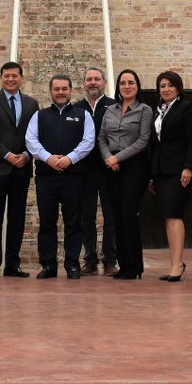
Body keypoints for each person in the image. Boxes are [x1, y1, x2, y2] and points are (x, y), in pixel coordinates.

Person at [26, 74, 95, 279]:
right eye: (57, 89)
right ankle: (48, 265)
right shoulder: (39, 115)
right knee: (47, 222)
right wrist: (48, 159)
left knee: (73, 221)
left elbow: (88, 141)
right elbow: (31, 141)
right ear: (50, 91)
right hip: (46, 177)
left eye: (64, 89)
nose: (61, 92)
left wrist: (69, 159)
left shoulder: (83, 115)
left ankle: (72, 263)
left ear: (71, 90)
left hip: (74, 176)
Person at [0, 61, 39, 278]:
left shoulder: (32, 104)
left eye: (14, 75)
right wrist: (7, 155)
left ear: (21, 77)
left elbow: (35, 136)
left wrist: (25, 155)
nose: (10, 79)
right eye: (6, 76)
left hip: (21, 170)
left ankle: (13, 264)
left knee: (17, 219)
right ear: (1, 77)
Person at [98, 69, 153, 280]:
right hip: (111, 167)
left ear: (137, 86)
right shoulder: (109, 110)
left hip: (134, 166)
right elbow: (101, 137)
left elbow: (143, 140)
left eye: (131, 82)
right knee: (116, 216)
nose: (127, 86)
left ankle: (134, 266)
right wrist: (108, 158)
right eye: (123, 83)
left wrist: (117, 158)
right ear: (118, 87)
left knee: (129, 214)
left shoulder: (144, 110)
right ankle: (123, 264)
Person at [148, 71, 192, 282]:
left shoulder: (186, 108)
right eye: (162, 86)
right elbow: (154, 144)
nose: (166, 89)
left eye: (170, 85)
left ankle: (177, 264)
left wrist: (188, 167)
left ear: (178, 88)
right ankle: (175, 263)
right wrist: (152, 175)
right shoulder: (157, 112)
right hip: (161, 172)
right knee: (167, 216)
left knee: (174, 214)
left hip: (179, 171)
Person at [76, 66, 118, 276]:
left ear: (104, 83)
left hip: (110, 170)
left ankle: (110, 260)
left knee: (111, 216)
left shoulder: (115, 106)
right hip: (83, 170)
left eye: (97, 79)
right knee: (86, 217)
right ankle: (90, 260)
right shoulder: (76, 109)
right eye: (89, 79)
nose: (93, 82)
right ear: (83, 83)